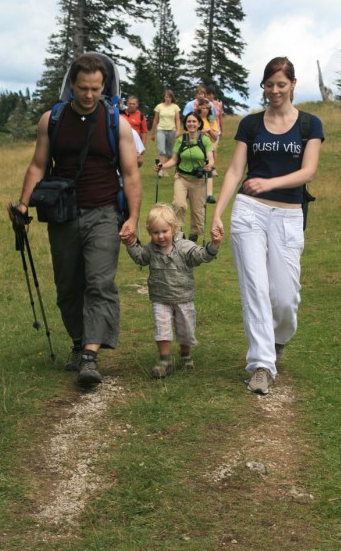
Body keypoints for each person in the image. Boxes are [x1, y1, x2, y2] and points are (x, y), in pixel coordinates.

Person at [8, 54, 141, 386]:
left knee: (100, 283)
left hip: (104, 212)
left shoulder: (116, 122)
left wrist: (133, 218)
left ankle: (90, 356)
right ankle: (79, 342)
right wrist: (24, 205)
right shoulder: (51, 120)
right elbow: (38, 166)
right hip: (62, 215)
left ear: (104, 86)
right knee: (68, 286)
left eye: (96, 88)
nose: (90, 95)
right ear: (72, 85)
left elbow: (130, 173)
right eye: (83, 88)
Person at [211, 56, 324, 395]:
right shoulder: (250, 124)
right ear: (263, 85)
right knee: (256, 290)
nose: (274, 91)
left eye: (281, 84)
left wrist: (270, 184)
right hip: (249, 213)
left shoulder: (310, 125)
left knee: (286, 298)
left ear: (292, 85)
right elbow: (234, 171)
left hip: (289, 214)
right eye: (269, 84)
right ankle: (261, 364)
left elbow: (308, 172)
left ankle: (278, 339)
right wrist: (218, 212)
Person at [124, 203, 223, 378]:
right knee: (162, 328)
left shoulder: (184, 247)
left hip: (183, 297)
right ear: (150, 233)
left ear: (174, 228)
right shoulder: (151, 249)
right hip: (160, 298)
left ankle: (185, 355)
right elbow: (140, 258)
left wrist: (213, 245)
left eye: (164, 231)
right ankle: (164, 360)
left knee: (185, 330)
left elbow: (200, 256)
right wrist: (131, 245)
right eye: (156, 233)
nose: (160, 236)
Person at [155, 111, 214, 242]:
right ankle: (178, 232)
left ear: (199, 124)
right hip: (181, 177)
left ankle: (194, 234)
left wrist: (209, 165)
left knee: (198, 211)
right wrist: (162, 166)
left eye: (194, 121)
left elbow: (210, 158)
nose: (191, 124)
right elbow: (174, 160)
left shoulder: (205, 140)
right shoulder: (181, 140)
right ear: (185, 124)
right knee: (179, 204)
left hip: (198, 180)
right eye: (189, 121)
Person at [150, 90, 181, 175]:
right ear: (164, 97)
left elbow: (177, 120)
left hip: (172, 130)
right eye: (166, 97)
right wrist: (152, 133)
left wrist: (178, 130)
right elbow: (155, 120)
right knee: (161, 150)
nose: (168, 99)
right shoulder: (159, 107)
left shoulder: (175, 107)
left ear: (172, 98)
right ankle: (160, 169)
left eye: (169, 97)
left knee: (169, 152)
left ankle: (165, 169)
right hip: (161, 130)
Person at [196, 98, 219, 204]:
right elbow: (188, 131)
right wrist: (201, 131)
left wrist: (209, 130)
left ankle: (209, 195)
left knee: (208, 170)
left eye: (207, 108)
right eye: (203, 108)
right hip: (196, 148)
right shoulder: (195, 118)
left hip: (207, 147)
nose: (205, 110)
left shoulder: (211, 121)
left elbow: (215, 137)